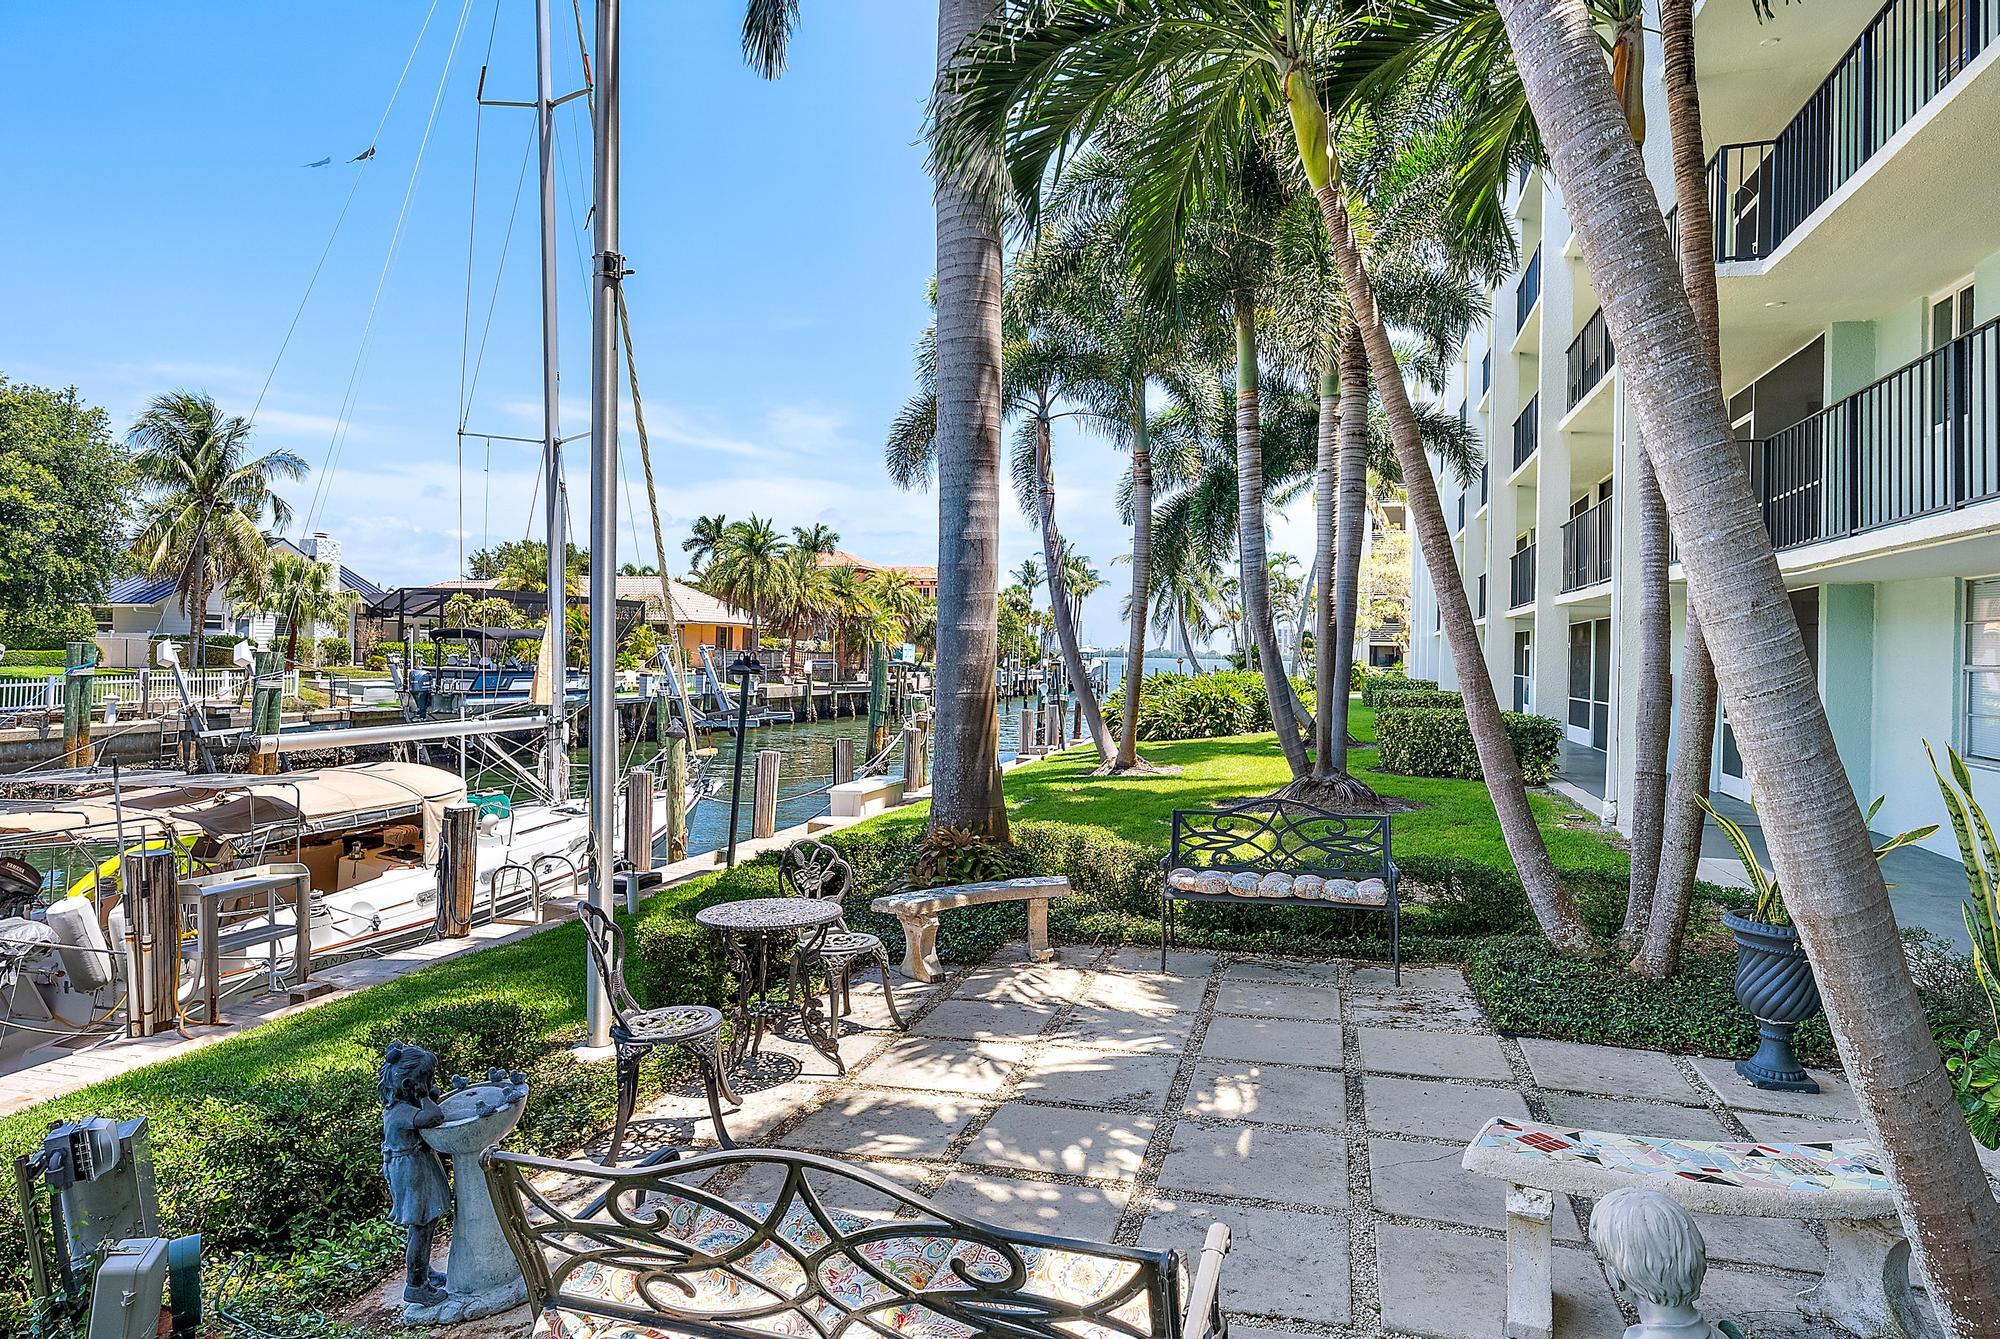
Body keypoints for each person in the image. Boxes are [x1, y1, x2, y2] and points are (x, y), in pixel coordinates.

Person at [379, 1041, 451, 1305]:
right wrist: (425, 1097)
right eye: (426, 1079)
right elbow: (434, 1117)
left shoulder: (400, 1105)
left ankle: (423, 1271)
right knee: (421, 1226)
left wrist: (426, 1093)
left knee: (424, 1225)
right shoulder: (400, 1112)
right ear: (410, 1086)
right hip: (410, 1171)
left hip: (414, 1164)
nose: (431, 1082)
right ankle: (415, 1285)